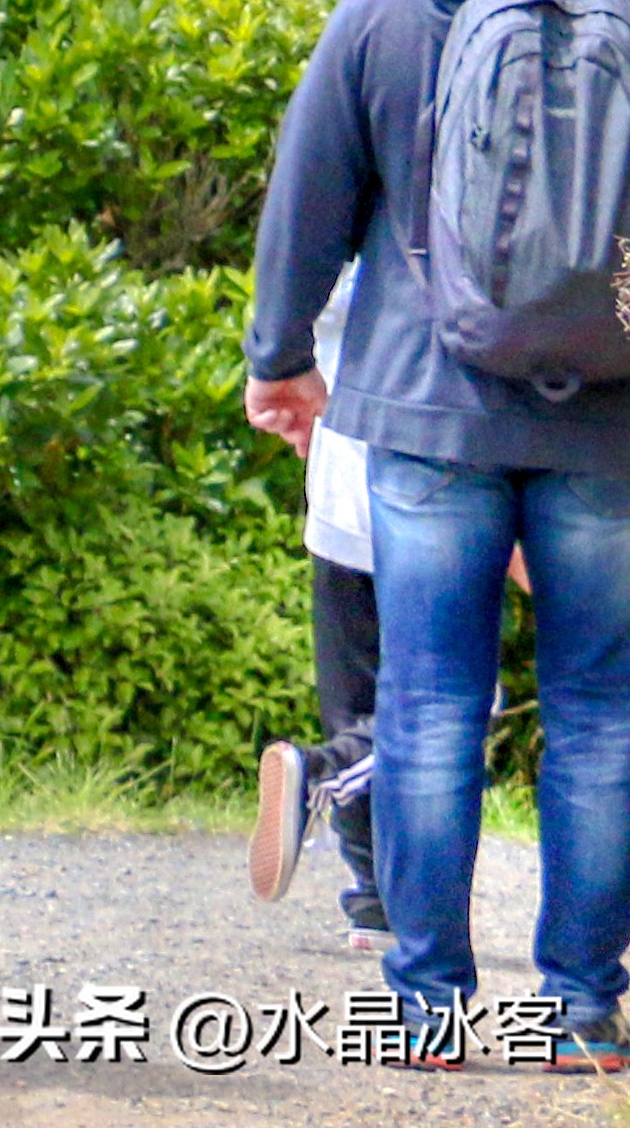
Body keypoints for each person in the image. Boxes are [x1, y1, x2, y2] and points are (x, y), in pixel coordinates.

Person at [246, 0, 630, 1070]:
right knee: (598, 706)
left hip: (418, 408)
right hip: (608, 425)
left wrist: (279, 360)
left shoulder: (388, 0)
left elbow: (303, 204)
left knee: (422, 704)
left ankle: (423, 1006)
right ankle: (583, 1007)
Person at [248, 263, 389, 954]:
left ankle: (373, 903)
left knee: (357, 699)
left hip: (336, 494)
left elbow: (290, 325)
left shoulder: (333, 236)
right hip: (435, 491)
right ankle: (326, 770)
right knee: (456, 702)